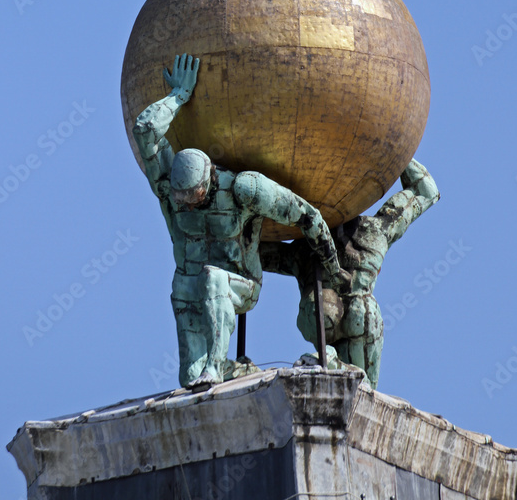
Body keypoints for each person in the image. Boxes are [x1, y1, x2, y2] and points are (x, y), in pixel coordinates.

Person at [132, 53, 348, 389]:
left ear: (208, 182)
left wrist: (332, 270)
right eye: (181, 202)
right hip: (188, 285)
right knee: (189, 378)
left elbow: (308, 215)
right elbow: (145, 129)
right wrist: (178, 97)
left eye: (194, 200)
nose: (187, 208)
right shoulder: (167, 186)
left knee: (213, 278)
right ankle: (244, 373)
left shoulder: (243, 190)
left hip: (238, 283)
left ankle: (215, 367)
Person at [260, 160, 440, 389]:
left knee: (351, 312)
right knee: (362, 387)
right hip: (359, 317)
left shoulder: (301, 250)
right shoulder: (376, 231)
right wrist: (396, 149)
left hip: (335, 318)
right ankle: (342, 369)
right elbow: (425, 191)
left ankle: (338, 365)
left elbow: (251, 251)